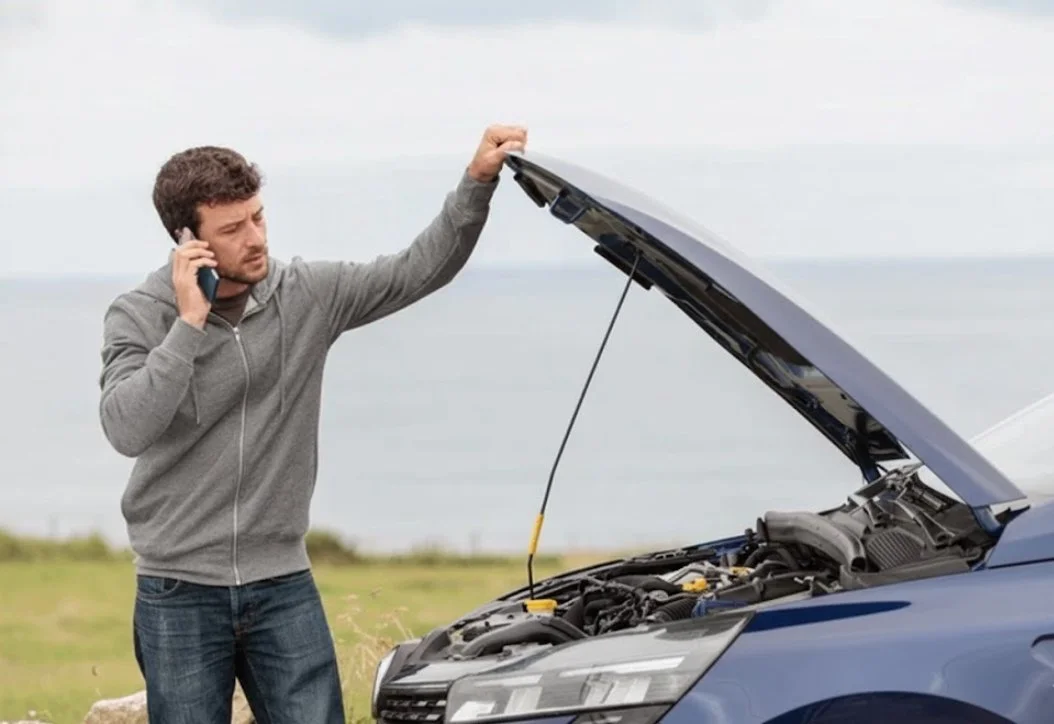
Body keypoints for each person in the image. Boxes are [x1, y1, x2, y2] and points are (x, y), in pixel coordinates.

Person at [97, 124, 528, 723]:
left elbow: (415, 270)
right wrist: (187, 327)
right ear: (186, 240)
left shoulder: (305, 294)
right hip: (179, 591)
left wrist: (476, 182)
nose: (255, 239)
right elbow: (126, 428)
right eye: (232, 229)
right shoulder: (140, 316)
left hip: (282, 583)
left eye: (258, 218)